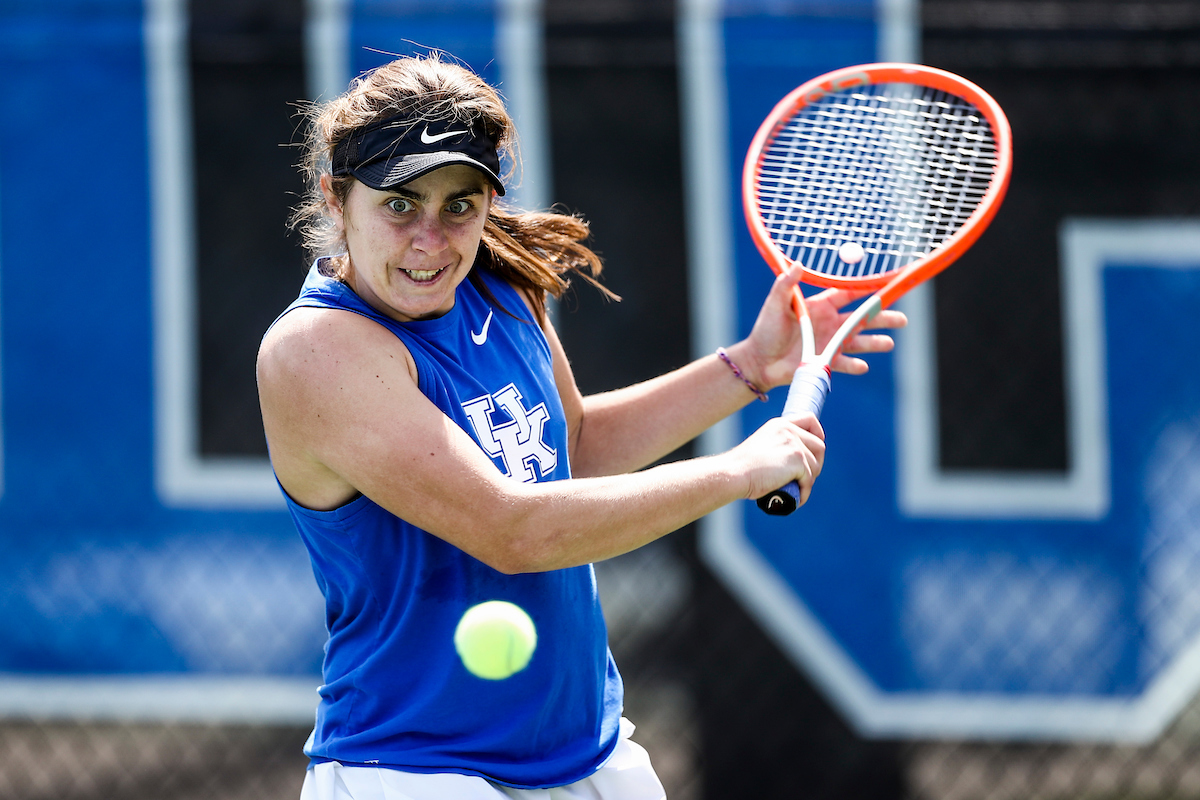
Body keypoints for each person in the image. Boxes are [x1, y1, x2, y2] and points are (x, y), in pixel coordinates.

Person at [257, 52, 905, 800]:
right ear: (337, 199)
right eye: (400, 205)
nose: (431, 240)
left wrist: (751, 367)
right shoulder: (317, 352)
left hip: (590, 754)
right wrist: (738, 470)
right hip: (414, 771)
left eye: (459, 205)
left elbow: (574, 452)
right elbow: (513, 531)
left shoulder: (498, 290)